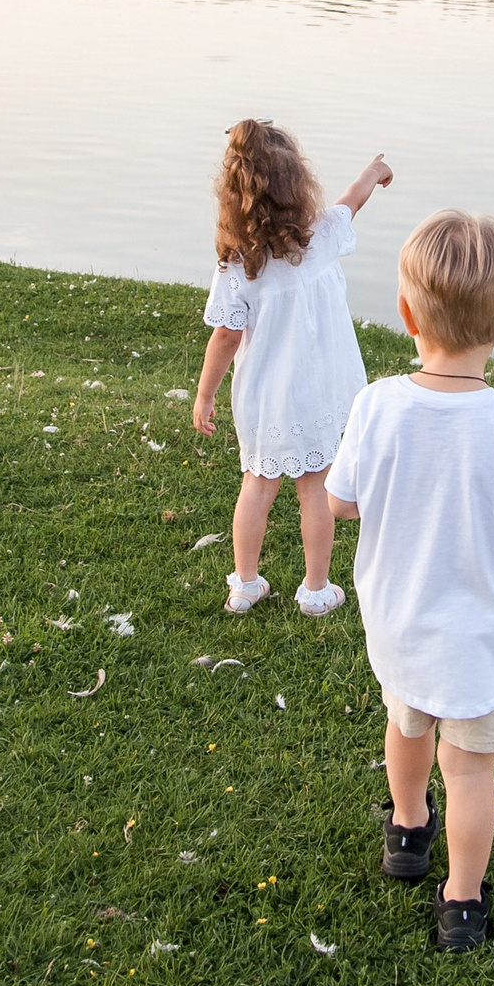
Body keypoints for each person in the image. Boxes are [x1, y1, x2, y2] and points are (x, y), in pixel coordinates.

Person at [325, 209, 494, 951]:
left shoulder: (376, 404)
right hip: (477, 644)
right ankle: (461, 903)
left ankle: (406, 830)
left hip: (400, 626)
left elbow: (339, 502)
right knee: (469, 771)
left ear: (405, 313)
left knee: (406, 725)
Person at [191, 120, 393, 615]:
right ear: (298, 186)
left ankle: (244, 583)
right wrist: (375, 170)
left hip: (266, 399)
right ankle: (317, 591)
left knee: (257, 486)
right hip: (320, 395)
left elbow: (225, 335)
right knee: (316, 491)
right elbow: (352, 201)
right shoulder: (321, 236)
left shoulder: (238, 266)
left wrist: (205, 394)